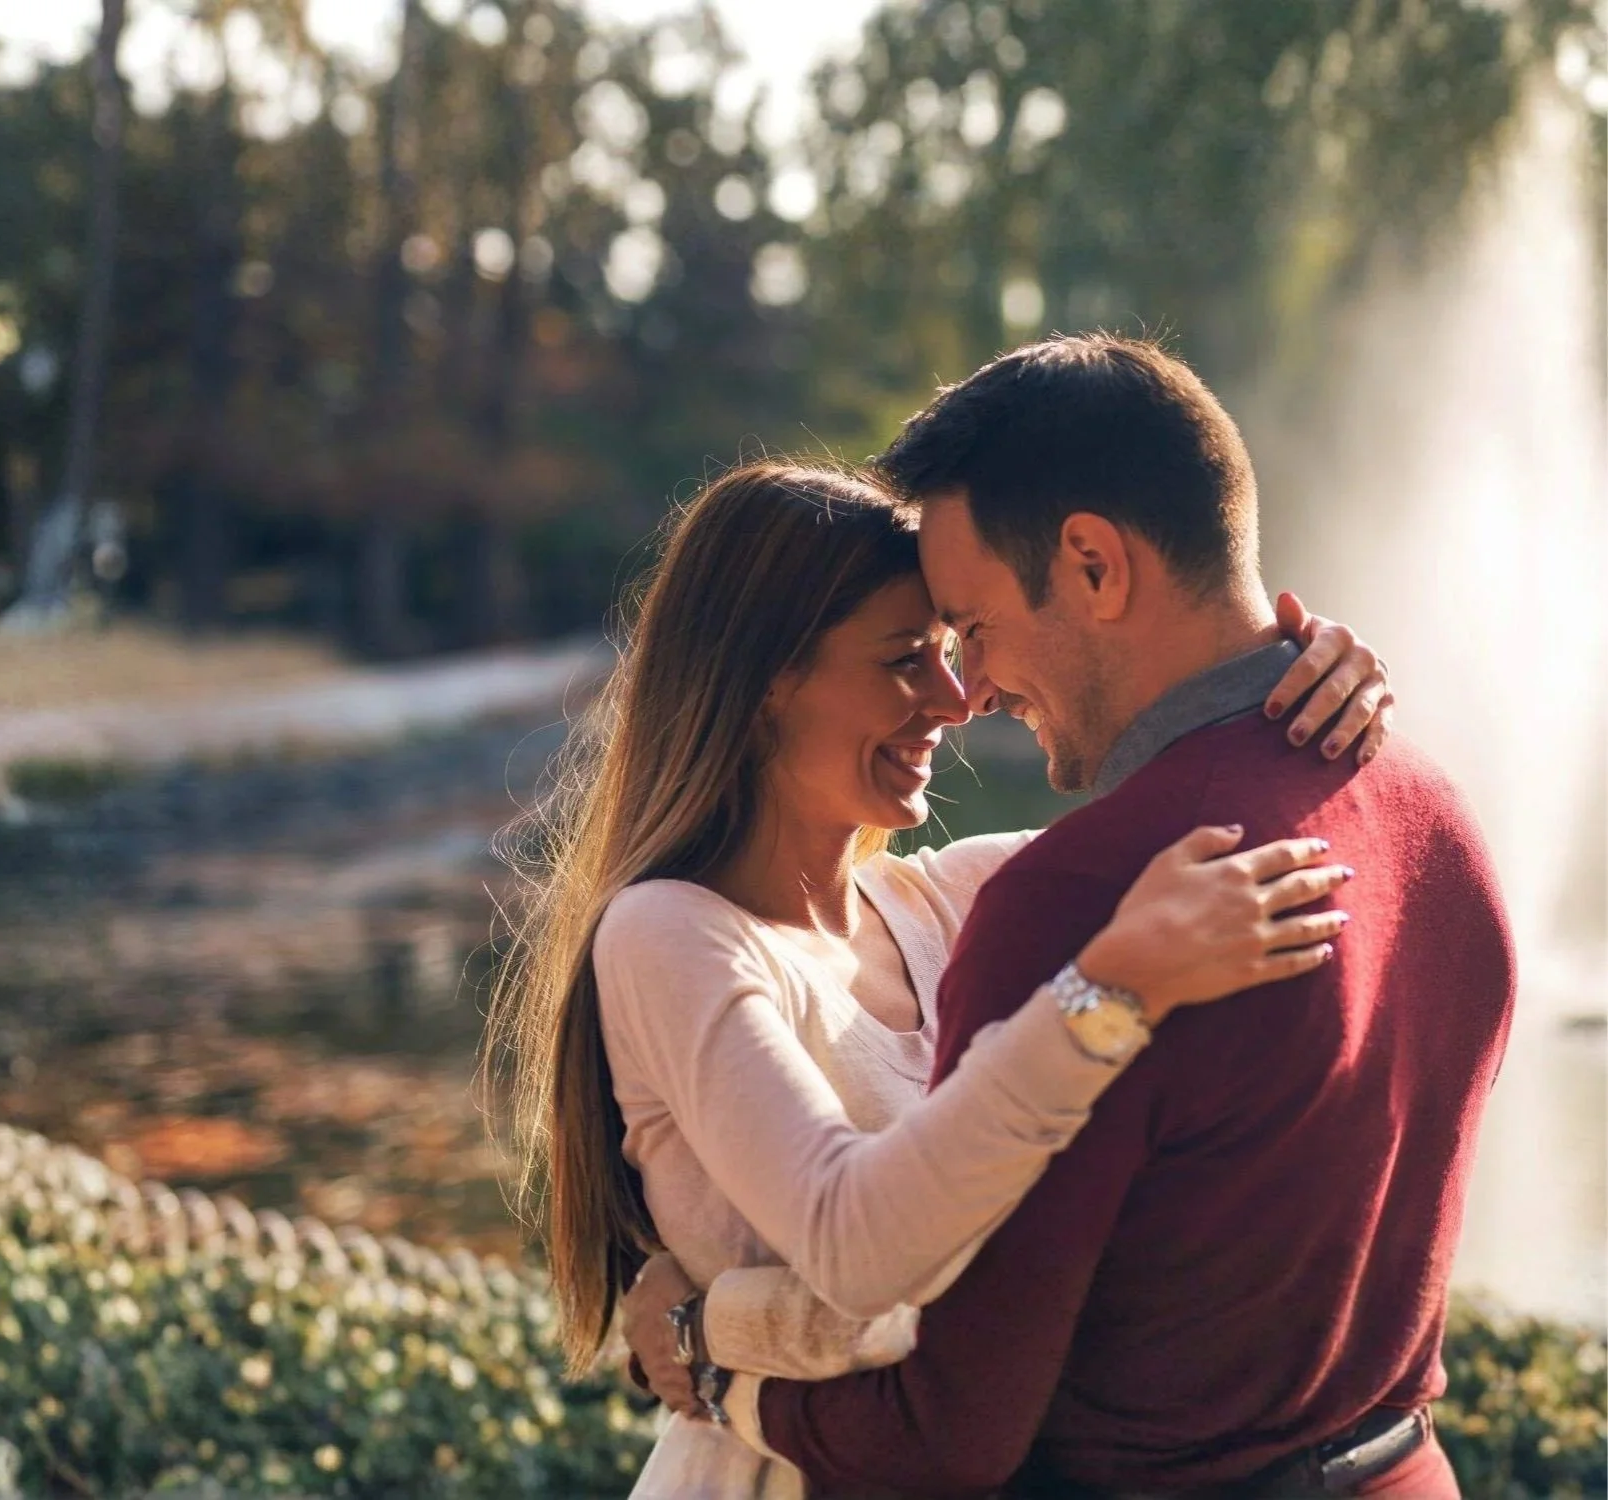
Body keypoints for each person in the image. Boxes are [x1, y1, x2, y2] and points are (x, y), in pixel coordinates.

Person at [677, 336, 1513, 1499]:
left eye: (973, 629)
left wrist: (707, 1372)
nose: (968, 694)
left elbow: (945, 1440)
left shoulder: (1079, 903)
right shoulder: (1435, 813)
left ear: (1092, 566)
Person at [486, 451, 1395, 1499]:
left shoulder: (959, 899)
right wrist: (1109, 993)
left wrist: (1314, 674)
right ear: (768, 682)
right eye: (903, 661)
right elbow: (859, 1248)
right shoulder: (669, 935)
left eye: (955, 652)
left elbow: (1205, 815)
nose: (956, 700)